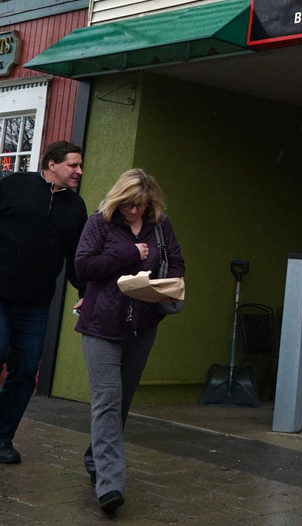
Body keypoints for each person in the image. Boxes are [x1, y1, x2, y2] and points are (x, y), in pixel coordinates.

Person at [74, 168, 184, 516]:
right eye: (128, 205)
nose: (134, 212)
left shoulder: (161, 226)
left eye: (141, 205)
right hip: (101, 325)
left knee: (120, 403)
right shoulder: (99, 222)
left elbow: (176, 262)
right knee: (106, 400)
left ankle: (96, 458)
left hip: (143, 326)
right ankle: (110, 485)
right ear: (118, 199)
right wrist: (128, 257)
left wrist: (164, 286)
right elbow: (83, 267)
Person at [0, 140, 87, 465]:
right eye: (73, 165)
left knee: (24, 370)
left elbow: (76, 257)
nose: (79, 171)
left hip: (35, 303)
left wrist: (85, 291)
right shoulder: (13, 186)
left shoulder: (76, 207)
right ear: (52, 164)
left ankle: (3, 436)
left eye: (79, 166)